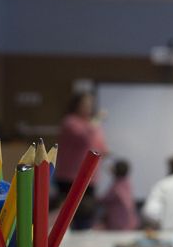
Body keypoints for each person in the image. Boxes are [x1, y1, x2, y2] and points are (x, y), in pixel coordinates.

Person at [55, 91, 108, 229]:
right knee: (68, 215)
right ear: (76, 105)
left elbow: (99, 145)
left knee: (86, 214)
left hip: (90, 177)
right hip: (70, 177)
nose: (88, 107)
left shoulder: (94, 126)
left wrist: (105, 151)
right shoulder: (70, 122)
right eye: (85, 104)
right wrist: (96, 121)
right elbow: (85, 137)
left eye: (90, 104)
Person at [99, 160, 138, 231]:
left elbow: (105, 199)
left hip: (118, 222)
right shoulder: (127, 183)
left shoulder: (117, 186)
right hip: (129, 221)